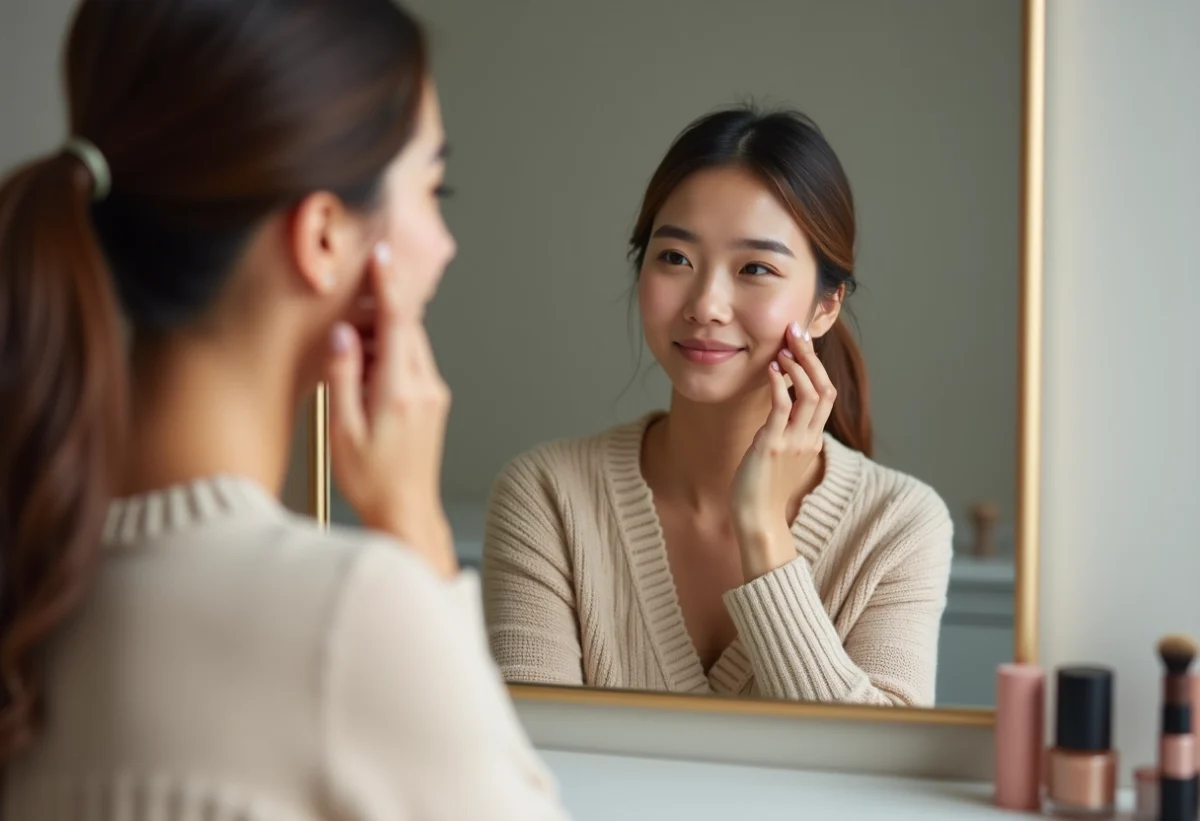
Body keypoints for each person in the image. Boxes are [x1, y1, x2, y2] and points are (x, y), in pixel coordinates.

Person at [0, 1, 569, 818]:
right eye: (433, 189)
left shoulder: (34, 580)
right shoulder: (353, 619)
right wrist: (416, 529)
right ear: (325, 236)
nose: (444, 244)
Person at [482, 107, 953, 707]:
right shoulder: (547, 495)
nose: (706, 304)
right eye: (675, 258)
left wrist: (762, 530)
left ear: (825, 306)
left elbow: (877, 774)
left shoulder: (899, 524)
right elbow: (530, 755)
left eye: (756, 268)